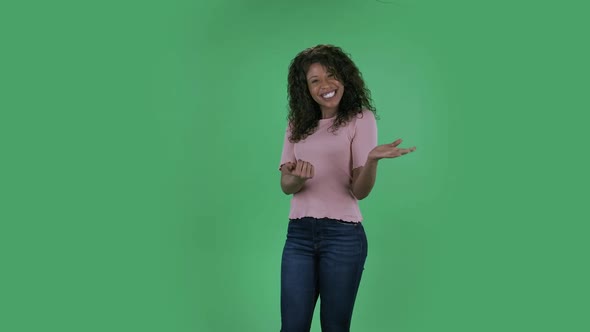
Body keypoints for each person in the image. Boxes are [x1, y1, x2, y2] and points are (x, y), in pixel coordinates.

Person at [278, 44, 416, 332]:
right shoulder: (296, 124)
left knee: (335, 328)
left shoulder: (360, 119)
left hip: (343, 237)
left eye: (331, 76)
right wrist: (297, 179)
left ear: (344, 77)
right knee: (292, 328)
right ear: (306, 88)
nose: (325, 86)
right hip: (299, 236)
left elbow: (360, 191)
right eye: (314, 80)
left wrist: (372, 161)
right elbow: (285, 185)